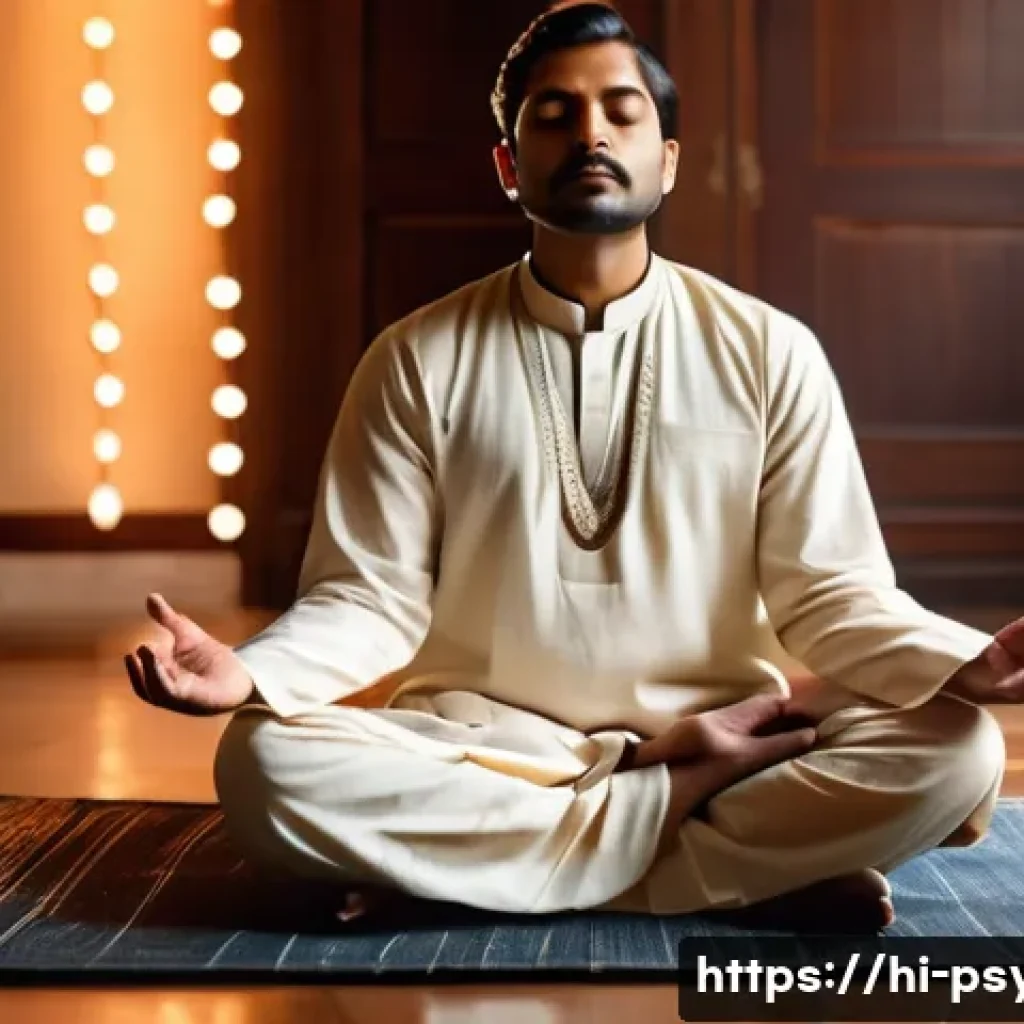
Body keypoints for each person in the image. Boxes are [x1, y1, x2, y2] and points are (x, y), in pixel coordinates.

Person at [125, 3, 1023, 932]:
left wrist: (968, 661)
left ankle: (478, 869)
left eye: (621, 111)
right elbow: (368, 597)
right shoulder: (415, 357)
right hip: (487, 745)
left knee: (955, 749)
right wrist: (250, 672)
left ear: (667, 159)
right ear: (509, 167)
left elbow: (830, 592)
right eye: (554, 115)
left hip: (737, 728)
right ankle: (724, 844)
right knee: (264, 761)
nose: (591, 132)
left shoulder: (769, 351)